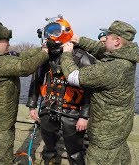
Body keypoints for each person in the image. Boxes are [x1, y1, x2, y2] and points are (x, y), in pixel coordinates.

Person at [61, 20, 139, 165]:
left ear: (117, 41)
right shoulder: (125, 56)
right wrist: (79, 40)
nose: (104, 40)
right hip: (120, 129)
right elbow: (100, 48)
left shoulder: (114, 68)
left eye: (108, 37)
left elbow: (74, 76)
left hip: (105, 135)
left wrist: (66, 54)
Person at [26, 15, 94, 165]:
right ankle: (48, 161)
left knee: (75, 151)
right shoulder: (46, 56)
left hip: (73, 112)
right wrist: (32, 105)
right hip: (48, 108)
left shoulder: (82, 57)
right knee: (48, 146)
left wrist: (85, 116)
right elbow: (36, 80)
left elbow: (91, 90)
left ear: (66, 32)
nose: (51, 36)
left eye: (55, 31)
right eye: (48, 31)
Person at [0, 22, 49, 165]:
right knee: (4, 141)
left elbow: (22, 56)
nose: (9, 44)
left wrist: (41, 48)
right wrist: (44, 54)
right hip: (1, 113)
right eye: (6, 41)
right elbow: (24, 67)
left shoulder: (0, 56)